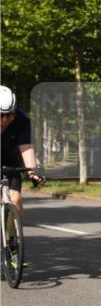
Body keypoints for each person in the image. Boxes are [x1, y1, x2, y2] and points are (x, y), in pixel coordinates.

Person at [0, 86, 44, 220]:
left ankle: (14, 239)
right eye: (1, 115)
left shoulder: (22, 119)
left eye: (10, 114)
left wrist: (32, 171)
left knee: (15, 198)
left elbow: (25, 147)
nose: (6, 119)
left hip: (12, 161)